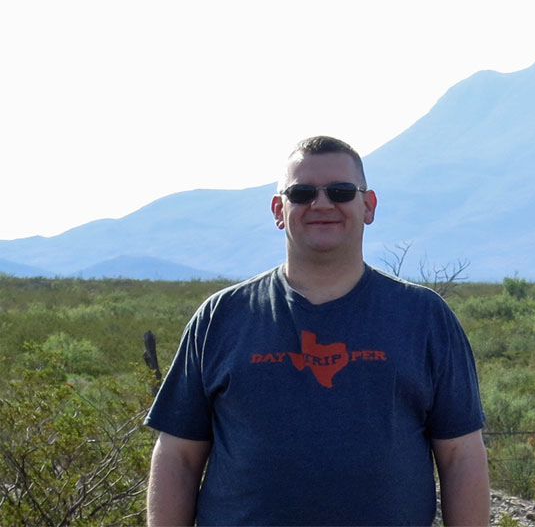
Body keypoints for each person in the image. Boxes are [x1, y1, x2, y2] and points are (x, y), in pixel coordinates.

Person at [145, 136, 489, 526]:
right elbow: (178, 456)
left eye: (341, 192)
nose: (322, 204)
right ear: (278, 209)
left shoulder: (425, 317)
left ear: (369, 206)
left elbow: (461, 455)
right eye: (302, 192)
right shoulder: (220, 318)